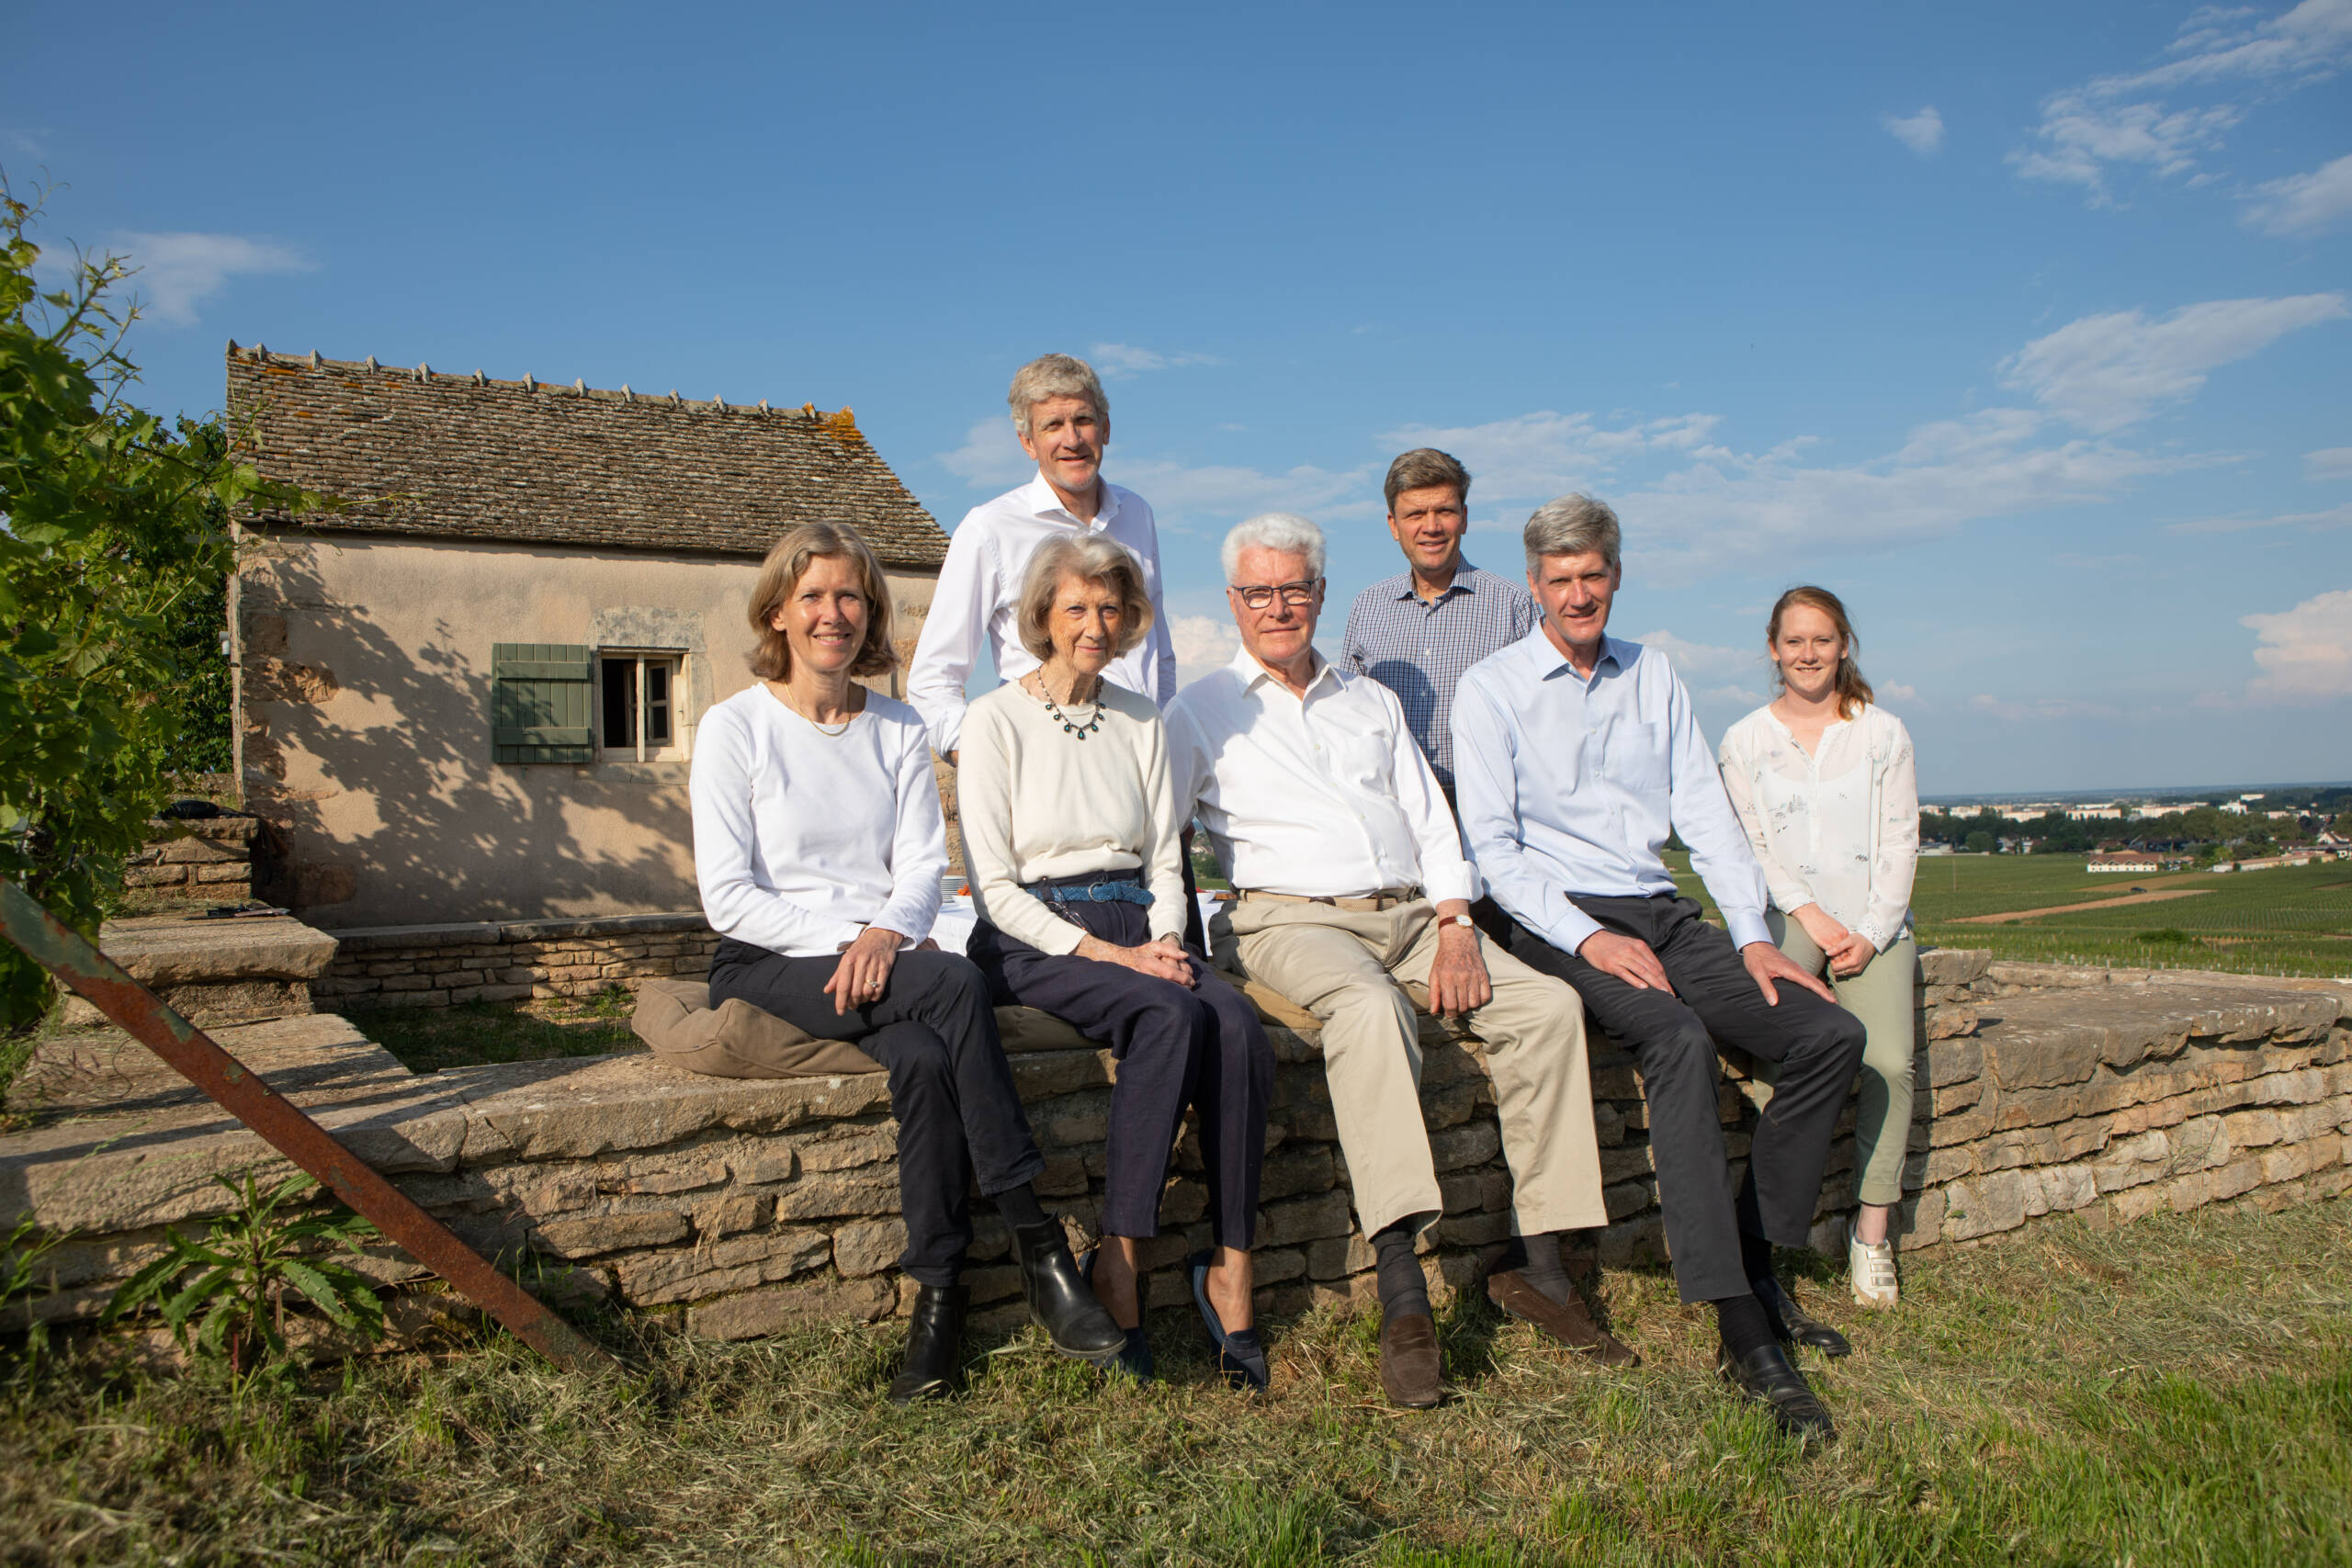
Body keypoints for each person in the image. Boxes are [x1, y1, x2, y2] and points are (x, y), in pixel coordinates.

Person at [1167, 512, 1626, 1413]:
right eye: (1258, 591)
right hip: (1288, 921)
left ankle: (1542, 1270)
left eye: (1294, 587)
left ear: (1321, 595)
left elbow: (1429, 823)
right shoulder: (1199, 711)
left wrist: (1457, 923)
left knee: (1545, 1009)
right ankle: (1405, 1297)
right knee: (1370, 1011)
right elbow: (1160, 838)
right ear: (1232, 602)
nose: (1278, 605)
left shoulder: (1368, 701)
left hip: (1412, 916)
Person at [1450, 494, 1867, 1445]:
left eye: (1592, 574)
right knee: (1675, 1036)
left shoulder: (1654, 675)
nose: (1577, 592)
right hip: (1554, 918)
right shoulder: (1493, 689)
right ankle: (1738, 1326)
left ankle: (1757, 1263)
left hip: (1661, 909)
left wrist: (1752, 935)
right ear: (1533, 586)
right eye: (1558, 579)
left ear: (1615, 576)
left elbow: (1704, 816)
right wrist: (1588, 940)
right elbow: (1497, 852)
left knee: (1826, 1036)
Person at [690, 522, 1124, 1404]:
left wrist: (883, 933)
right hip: (769, 956)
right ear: (777, 611)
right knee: (958, 982)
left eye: (850, 595)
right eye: (812, 595)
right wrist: (855, 936)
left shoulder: (895, 726)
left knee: (926, 1060)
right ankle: (1037, 1242)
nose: (832, 614)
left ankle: (938, 1307)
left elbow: (925, 864)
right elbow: (728, 896)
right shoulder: (734, 728)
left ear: (872, 611)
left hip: (880, 952)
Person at [958, 533, 1276, 1388]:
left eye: (1110, 607)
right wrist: (1109, 955)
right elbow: (992, 886)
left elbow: (1164, 862)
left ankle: (1232, 1263)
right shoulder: (993, 719)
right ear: (1042, 617)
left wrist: (1165, 942)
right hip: (1038, 933)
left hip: (1140, 919)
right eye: (1075, 607)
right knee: (1165, 1010)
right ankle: (1121, 1260)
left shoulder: (1140, 719)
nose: (1094, 624)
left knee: (1237, 1022)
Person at [1717, 587, 1919, 1310]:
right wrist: (1813, 918)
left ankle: (1871, 1233)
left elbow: (1900, 840)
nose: (1808, 654)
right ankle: (1770, 1231)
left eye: (1822, 640)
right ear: (1774, 648)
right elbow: (1751, 846)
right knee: (1774, 1060)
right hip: (1788, 919)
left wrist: (1869, 930)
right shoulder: (1743, 740)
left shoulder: (1883, 733)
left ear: (1844, 647)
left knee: (1890, 1062)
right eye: (1795, 641)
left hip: (1875, 919)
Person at [906, 353, 1178, 762]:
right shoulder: (990, 528)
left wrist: (1169, 765)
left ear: (1106, 429)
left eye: (1083, 420)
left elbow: (1159, 653)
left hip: (1139, 761)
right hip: (1042, 763)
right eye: (1053, 425)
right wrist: (989, 764)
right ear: (1028, 442)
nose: (1072, 439)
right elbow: (933, 678)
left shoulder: (1137, 514)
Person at [1342, 448, 1540, 945]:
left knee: (1495, 956)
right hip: (1401, 821)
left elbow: (1539, 719)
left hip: (1490, 817)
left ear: (1465, 518)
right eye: (1415, 514)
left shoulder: (1512, 605)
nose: (1431, 526)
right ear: (1393, 524)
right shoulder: (1368, 608)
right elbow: (1347, 719)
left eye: (1444, 511)